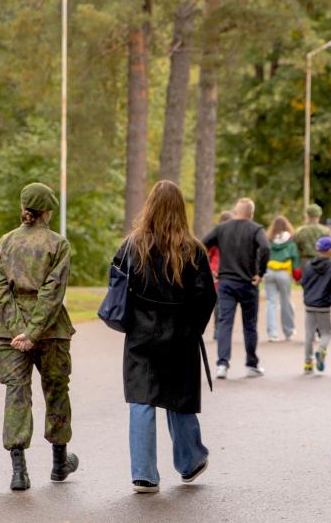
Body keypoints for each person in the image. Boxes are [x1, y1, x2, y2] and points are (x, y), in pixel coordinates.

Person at [113, 181, 215, 494]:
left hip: (141, 334)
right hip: (180, 334)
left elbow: (116, 286)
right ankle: (190, 462)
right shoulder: (193, 249)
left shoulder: (132, 246)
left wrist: (131, 321)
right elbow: (206, 296)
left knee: (142, 400)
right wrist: (192, 327)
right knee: (179, 399)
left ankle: (144, 474)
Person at [0, 183, 79, 491]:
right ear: (47, 211)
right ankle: (58, 464)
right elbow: (53, 292)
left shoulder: (6, 242)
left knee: (17, 394)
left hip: (9, 334)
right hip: (52, 331)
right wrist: (34, 331)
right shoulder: (58, 244)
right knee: (56, 390)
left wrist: (17, 329)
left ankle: (19, 472)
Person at [202, 198, 270, 379]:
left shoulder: (222, 228)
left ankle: (222, 365)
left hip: (226, 283)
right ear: (251, 213)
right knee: (250, 325)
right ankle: (251, 364)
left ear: (235, 210)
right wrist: (260, 272)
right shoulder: (256, 229)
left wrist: (209, 268)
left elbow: (202, 244)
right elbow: (265, 248)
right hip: (248, 283)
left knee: (225, 323)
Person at [301, 237, 331, 374]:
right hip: (324, 305)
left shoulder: (308, 265)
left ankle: (307, 364)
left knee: (309, 335)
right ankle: (321, 349)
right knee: (326, 333)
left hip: (309, 304)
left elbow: (303, 283)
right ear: (329, 251)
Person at [263, 215, 299, 342]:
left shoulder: (268, 239)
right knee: (285, 302)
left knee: (271, 302)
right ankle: (288, 331)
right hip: (284, 272)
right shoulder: (290, 241)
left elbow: (263, 254)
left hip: (269, 271)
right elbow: (295, 258)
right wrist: (297, 275)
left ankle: (272, 333)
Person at [208, 211, 233, 340]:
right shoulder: (221, 238)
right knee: (222, 303)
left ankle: (218, 329)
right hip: (220, 273)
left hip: (219, 272)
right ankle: (220, 329)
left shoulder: (216, 236)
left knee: (220, 303)